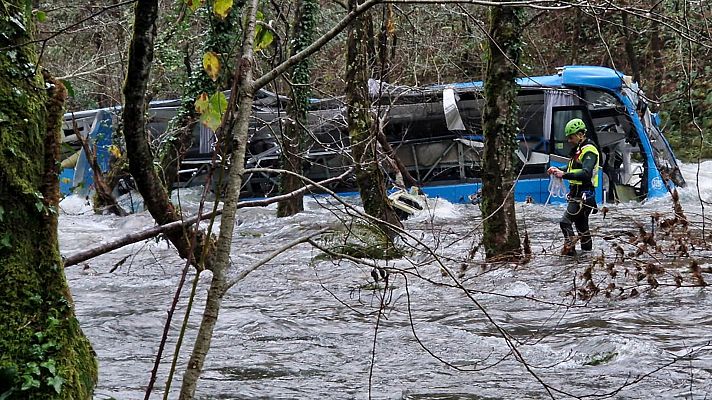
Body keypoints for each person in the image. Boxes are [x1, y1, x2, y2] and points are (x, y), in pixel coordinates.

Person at [547, 118, 600, 256]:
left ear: (581, 134)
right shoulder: (579, 149)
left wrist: (563, 175)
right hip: (578, 194)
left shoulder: (589, 151)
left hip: (584, 195)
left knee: (565, 222)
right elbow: (573, 167)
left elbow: (586, 173)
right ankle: (587, 258)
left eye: (571, 137)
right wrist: (557, 169)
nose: (569, 140)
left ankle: (570, 253)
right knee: (582, 228)